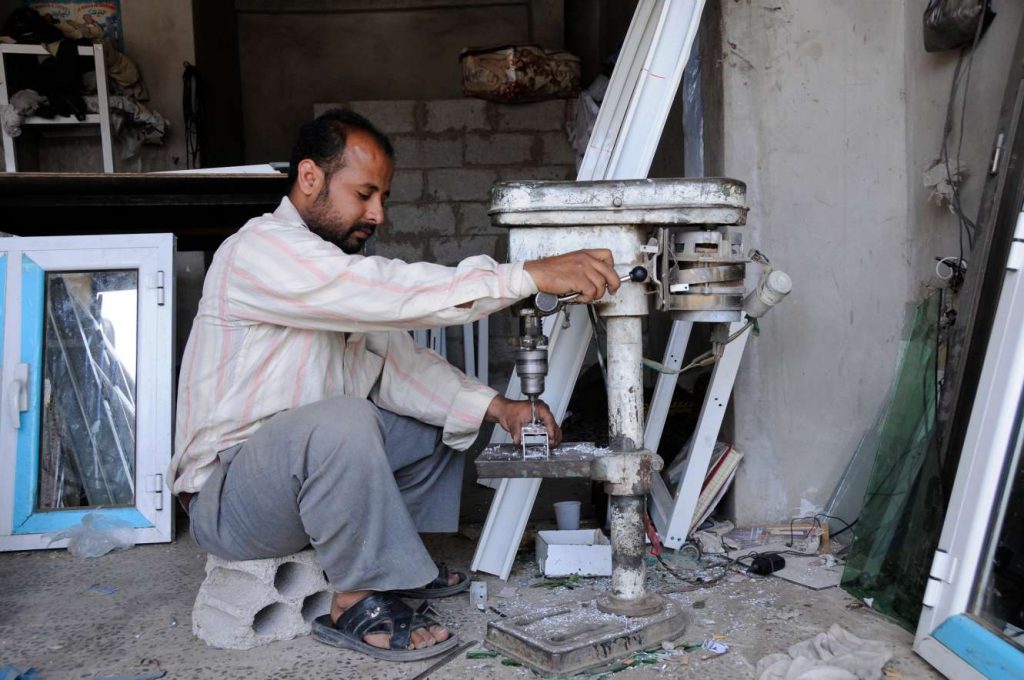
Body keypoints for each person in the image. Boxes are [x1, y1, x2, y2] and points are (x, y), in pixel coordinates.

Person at [169, 108, 620, 661]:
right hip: (230, 501)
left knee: (432, 424)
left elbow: (401, 367)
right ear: (310, 178)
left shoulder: (329, 273)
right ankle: (354, 600)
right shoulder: (261, 250)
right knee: (343, 421)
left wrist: (499, 408)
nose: (377, 213)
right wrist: (526, 276)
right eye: (364, 194)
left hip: (293, 481)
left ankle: (397, 564)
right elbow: (385, 289)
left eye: (382, 196)